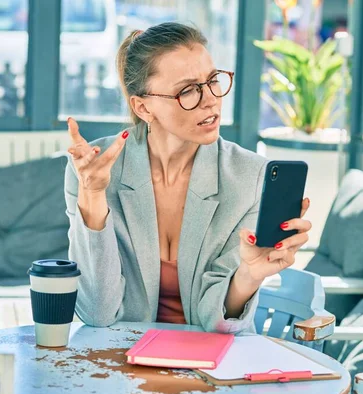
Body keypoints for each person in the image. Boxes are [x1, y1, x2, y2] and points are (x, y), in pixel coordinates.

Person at [63, 22, 311, 334]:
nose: (211, 100)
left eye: (212, 81)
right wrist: (93, 195)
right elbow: (98, 312)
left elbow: (215, 324)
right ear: (143, 107)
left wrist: (249, 275)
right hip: (122, 359)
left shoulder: (249, 178)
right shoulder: (93, 170)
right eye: (188, 91)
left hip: (213, 362)